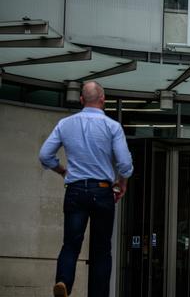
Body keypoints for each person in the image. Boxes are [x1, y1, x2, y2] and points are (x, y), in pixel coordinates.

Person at [39, 81, 133, 297]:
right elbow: (125, 164)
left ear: (81, 100)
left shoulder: (65, 124)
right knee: (101, 250)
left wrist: (62, 171)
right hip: (102, 191)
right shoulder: (112, 127)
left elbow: (45, 155)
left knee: (71, 244)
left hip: (75, 190)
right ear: (103, 99)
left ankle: (63, 282)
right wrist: (122, 184)